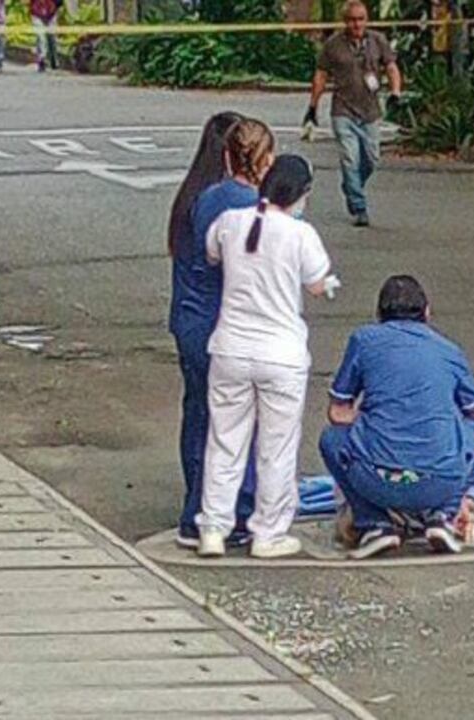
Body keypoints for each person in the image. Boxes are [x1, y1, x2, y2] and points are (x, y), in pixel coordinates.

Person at [197, 155, 337, 559]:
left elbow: (211, 254)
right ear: (301, 194)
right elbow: (315, 283)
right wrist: (328, 284)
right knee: (275, 448)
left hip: (230, 348)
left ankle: (213, 529)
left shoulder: (230, 222)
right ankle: (268, 532)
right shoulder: (300, 234)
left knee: (224, 441)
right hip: (281, 354)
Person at [319, 275, 474, 558]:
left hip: (375, 478)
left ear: (379, 314)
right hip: (439, 479)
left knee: (331, 439)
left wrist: (371, 425)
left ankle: (375, 523)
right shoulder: (450, 350)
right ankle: (443, 516)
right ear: (427, 312)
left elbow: (337, 412)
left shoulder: (364, 340)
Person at [167, 114, 274, 550]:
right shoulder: (238, 202)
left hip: (190, 319)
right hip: (221, 324)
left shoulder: (195, 196)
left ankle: (196, 510)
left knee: (200, 414)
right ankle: (227, 513)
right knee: (235, 422)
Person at [303, 0, 402, 228]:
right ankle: (359, 206)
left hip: (369, 111)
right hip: (343, 110)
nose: (357, 24)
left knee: (371, 157)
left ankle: (351, 185)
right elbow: (320, 75)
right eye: (352, 20)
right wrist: (312, 106)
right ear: (345, 21)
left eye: (361, 19)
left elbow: (391, 67)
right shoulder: (333, 45)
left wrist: (395, 92)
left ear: (366, 20)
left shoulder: (378, 41)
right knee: (349, 158)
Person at [29, 0, 60, 72]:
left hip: (51, 13)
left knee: (52, 37)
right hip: (37, 12)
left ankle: (54, 60)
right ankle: (41, 60)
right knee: (41, 37)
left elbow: (59, 2)